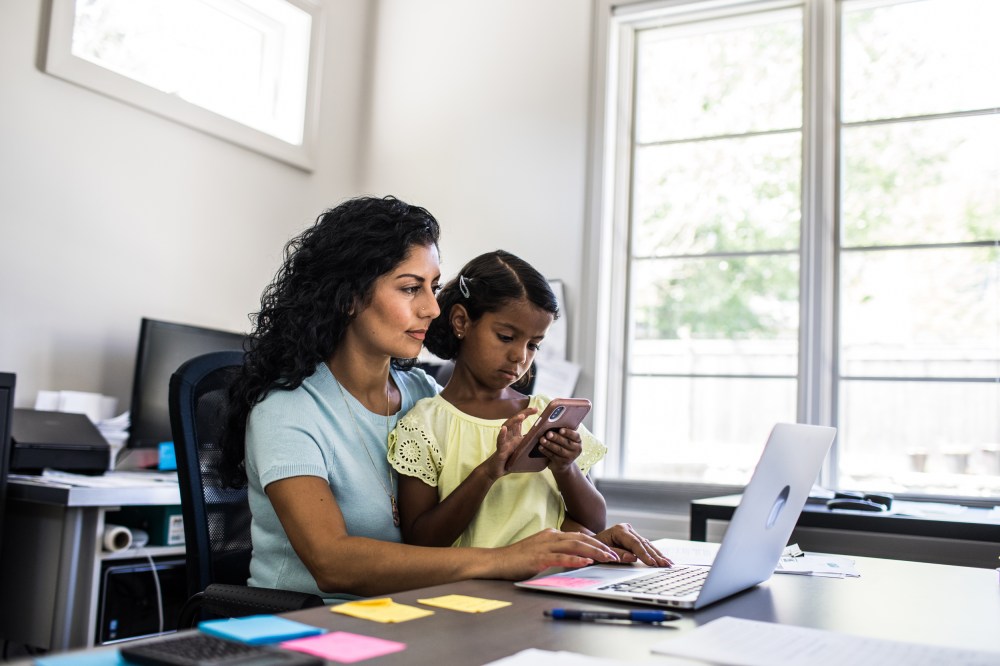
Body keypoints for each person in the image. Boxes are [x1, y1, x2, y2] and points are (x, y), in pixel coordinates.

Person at [219, 195, 669, 601]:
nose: (431, 308)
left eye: (433, 287)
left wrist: (583, 543)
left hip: (415, 615)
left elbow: (498, 511)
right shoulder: (287, 411)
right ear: (349, 297)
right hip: (308, 627)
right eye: (411, 288)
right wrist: (506, 561)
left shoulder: (426, 396)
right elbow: (333, 565)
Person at [388, 250, 619, 550]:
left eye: (533, 344)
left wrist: (566, 468)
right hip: (470, 594)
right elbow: (421, 540)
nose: (520, 356)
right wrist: (487, 473)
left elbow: (595, 521)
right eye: (506, 337)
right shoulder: (425, 425)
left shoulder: (542, 416)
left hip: (550, 584)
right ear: (461, 322)